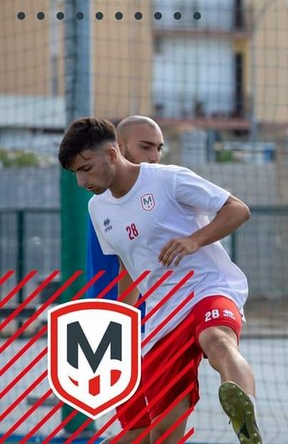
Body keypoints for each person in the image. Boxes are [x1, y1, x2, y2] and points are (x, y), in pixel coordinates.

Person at [58, 117, 262, 444]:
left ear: (112, 154)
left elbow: (237, 209)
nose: (82, 181)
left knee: (217, 338)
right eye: (76, 173)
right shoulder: (98, 209)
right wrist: (119, 327)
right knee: (162, 433)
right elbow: (129, 268)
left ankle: (245, 414)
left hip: (207, 288)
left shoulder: (168, 179)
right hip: (161, 317)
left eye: (86, 168)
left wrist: (194, 240)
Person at [84, 116, 164, 444]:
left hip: (141, 327)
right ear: (117, 150)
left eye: (159, 148)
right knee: (148, 430)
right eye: (145, 147)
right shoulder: (106, 201)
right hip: (130, 329)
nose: (155, 156)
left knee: (145, 430)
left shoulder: (129, 195)